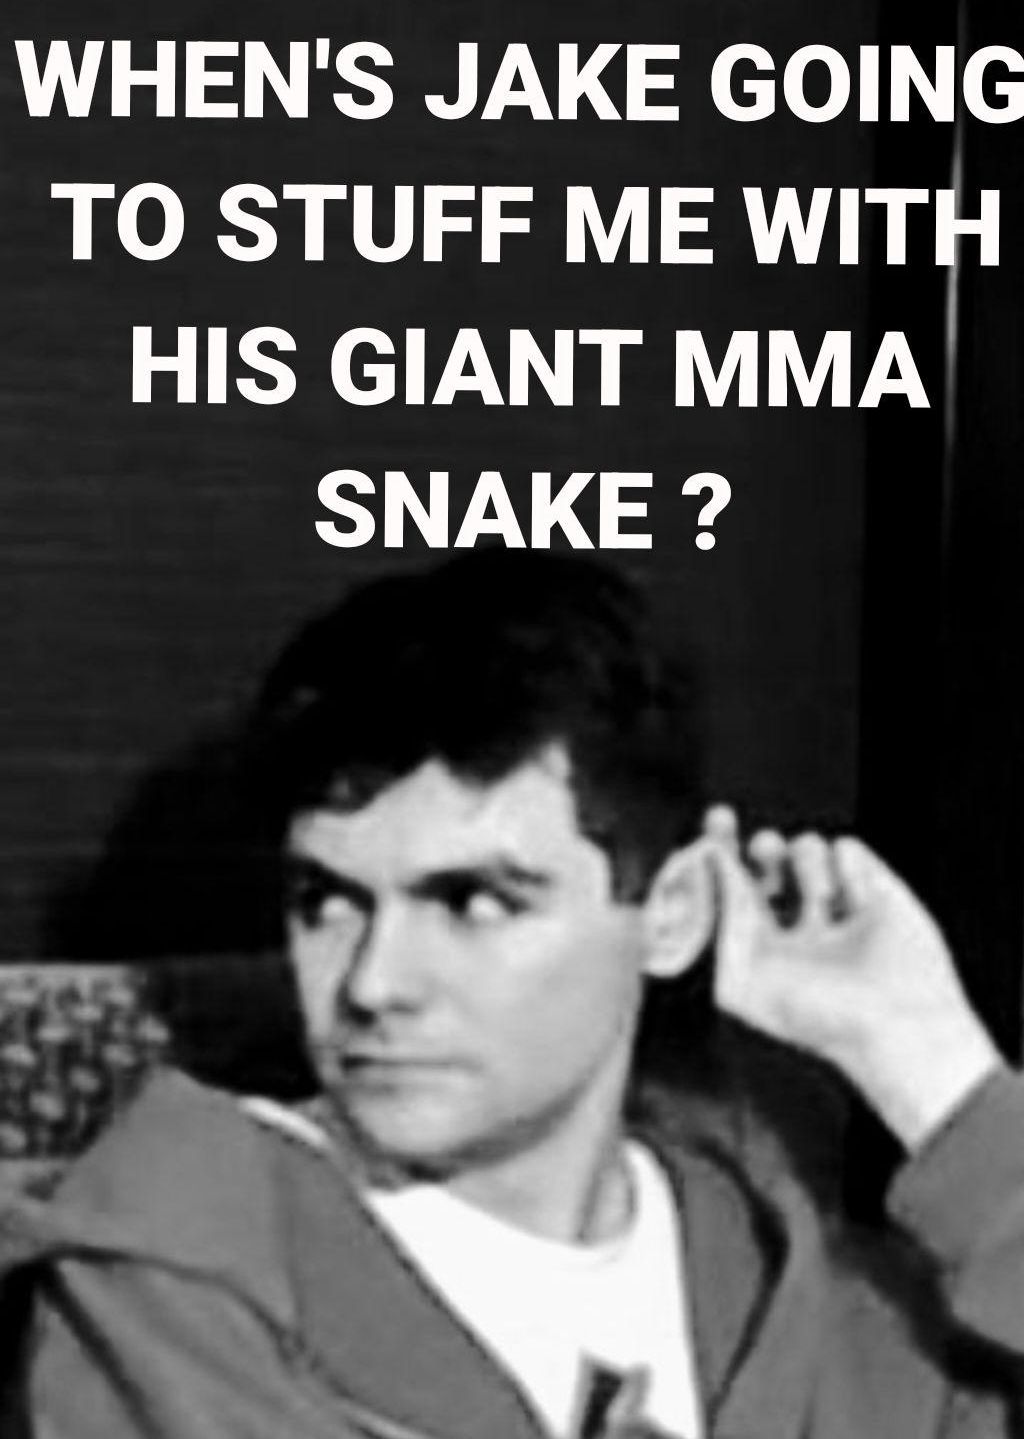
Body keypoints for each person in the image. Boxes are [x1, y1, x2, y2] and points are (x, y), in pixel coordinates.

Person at [1, 549, 1022, 1439]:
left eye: (474, 901)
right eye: (328, 901)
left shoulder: (800, 1288)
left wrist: (928, 1064)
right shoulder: (174, 1267)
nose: (374, 983)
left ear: (669, 913)